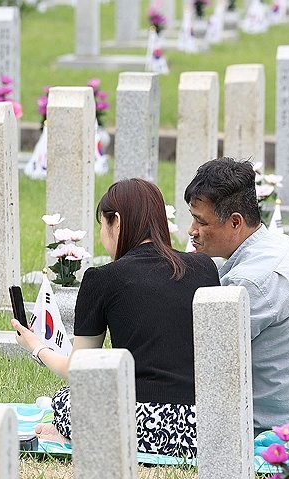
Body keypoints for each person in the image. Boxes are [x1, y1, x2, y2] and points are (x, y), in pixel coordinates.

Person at [12, 178, 220, 457]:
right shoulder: (203, 267)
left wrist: (36, 346)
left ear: (117, 221)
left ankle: (68, 435)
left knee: (65, 400)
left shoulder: (103, 278)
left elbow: (79, 371)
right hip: (205, 426)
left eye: (102, 225)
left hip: (146, 423)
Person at [184, 157, 289, 431]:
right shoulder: (281, 244)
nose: (192, 231)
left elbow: (203, 356)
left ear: (236, 222)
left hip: (261, 429)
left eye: (201, 221)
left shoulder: (249, 284)